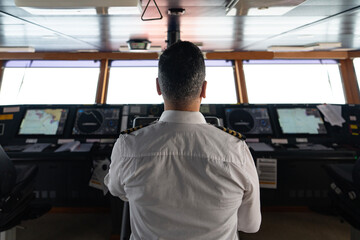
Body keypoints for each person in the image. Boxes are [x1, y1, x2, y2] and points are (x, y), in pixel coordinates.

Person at [104, 41, 261, 240]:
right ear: (204, 89)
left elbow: (117, 189)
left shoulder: (129, 145)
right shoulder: (236, 149)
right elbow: (251, 225)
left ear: (158, 87)